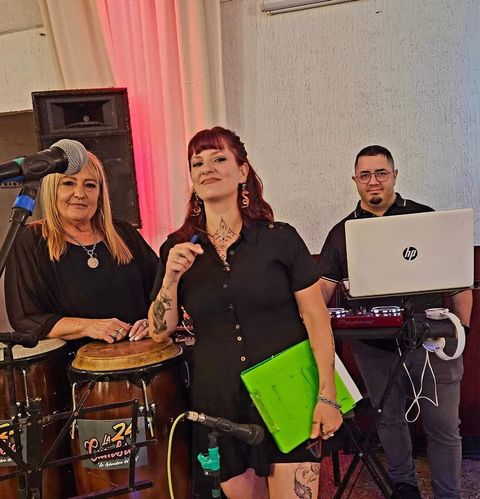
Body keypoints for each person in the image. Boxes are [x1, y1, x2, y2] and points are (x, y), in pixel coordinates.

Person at [148, 126, 342, 499]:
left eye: (219, 158)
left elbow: (317, 319)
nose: (207, 168)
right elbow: (160, 331)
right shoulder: (177, 248)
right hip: (219, 401)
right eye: (197, 163)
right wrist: (170, 278)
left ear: (242, 171)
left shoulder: (280, 238)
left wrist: (327, 395)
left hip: (288, 393)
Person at [317, 145, 472, 499]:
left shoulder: (425, 219)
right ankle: (404, 486)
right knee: (388, 419)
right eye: (365, 175)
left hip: (433, 341)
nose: (373, 181)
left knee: (444, 425)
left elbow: (460, 283)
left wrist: (461, 332)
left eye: (381, 173)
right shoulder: (342, 232)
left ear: (395, 176)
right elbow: (323, 289)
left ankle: (449, 493)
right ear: (355, 180)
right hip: (373, 346)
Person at [5, 151, 158, 347]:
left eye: (90, 185)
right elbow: (26, 319)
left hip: (144, 354)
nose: (79, 193)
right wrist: (89, 327)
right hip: (74, 362)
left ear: (100, 194)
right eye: (68, 183)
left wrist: (153, 322)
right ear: (52, 191)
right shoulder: (30, 240)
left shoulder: (125, 233)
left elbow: (163, 294)